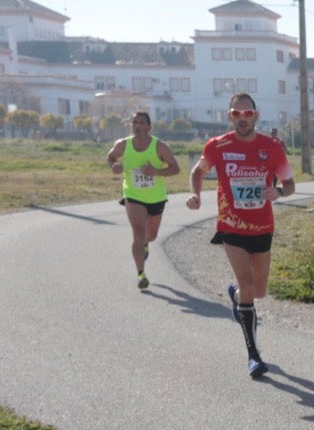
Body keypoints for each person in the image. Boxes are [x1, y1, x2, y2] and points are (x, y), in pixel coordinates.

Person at [185, 92, 295, 379]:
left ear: (256, 116)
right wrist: (195, 195)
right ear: (229, 116)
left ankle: (235, 294)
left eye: (247, 114)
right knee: (248, 285)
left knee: (257, 291)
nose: (242, 119)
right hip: (231, 226)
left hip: (262, 227)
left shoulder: (271, 147)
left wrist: (278, 192)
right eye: (236, 114)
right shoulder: (218, 145)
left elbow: (290, 184)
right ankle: (254, 356)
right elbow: (198, 171)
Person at [105, 109, 180, 290]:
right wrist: (114, 166)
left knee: (151, 235)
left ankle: (146, 243)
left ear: (149, 127)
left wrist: (156, 172)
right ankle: (141, 274)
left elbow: (175, 168)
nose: (137, 126)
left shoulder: (159, 147)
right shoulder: (123, 145)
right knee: (138, 232)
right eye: (134, 123)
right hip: (133, 195)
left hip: (156, 197)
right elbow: (111, 156)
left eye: (141, 123)